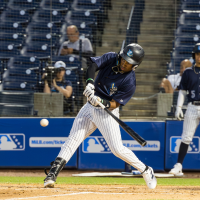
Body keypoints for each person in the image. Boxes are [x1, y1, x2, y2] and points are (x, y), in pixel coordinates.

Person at [44, 43, 157, 189]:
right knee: (72, 140)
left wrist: (101, 101)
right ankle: (52, 174)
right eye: (123, 59)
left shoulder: (129, 82)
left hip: (106, 112)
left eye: (128, 63)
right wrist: (90, 84)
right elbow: (92, 66)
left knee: (117, 149)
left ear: (135, 65)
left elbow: (115, 104)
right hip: (89, 107)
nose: (124, 63)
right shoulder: (111, 57)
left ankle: (146, 170)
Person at [169, 43, 200, 176]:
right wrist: (179, 107)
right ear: (194, 55)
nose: (199, 57)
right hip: (192, 106)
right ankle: (178, 165)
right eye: (198, 54)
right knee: (186, 137)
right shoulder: (188, 72)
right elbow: (182, 91)